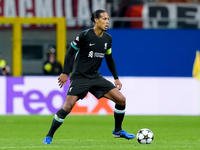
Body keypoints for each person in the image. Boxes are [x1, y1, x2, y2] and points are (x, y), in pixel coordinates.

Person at [43, 9, 135, 144]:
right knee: (68, 106)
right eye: (104, 19)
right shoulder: (85, 35)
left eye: (108, 19)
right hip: (80, 77)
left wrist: (116, 77)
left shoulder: (108, 39)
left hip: (95, 77)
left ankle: (117, 131)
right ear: (96, 20)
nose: (107, 22)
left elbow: (109, 58)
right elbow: (69, 53)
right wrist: (65, 72)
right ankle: (49, 136)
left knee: (121, 100)